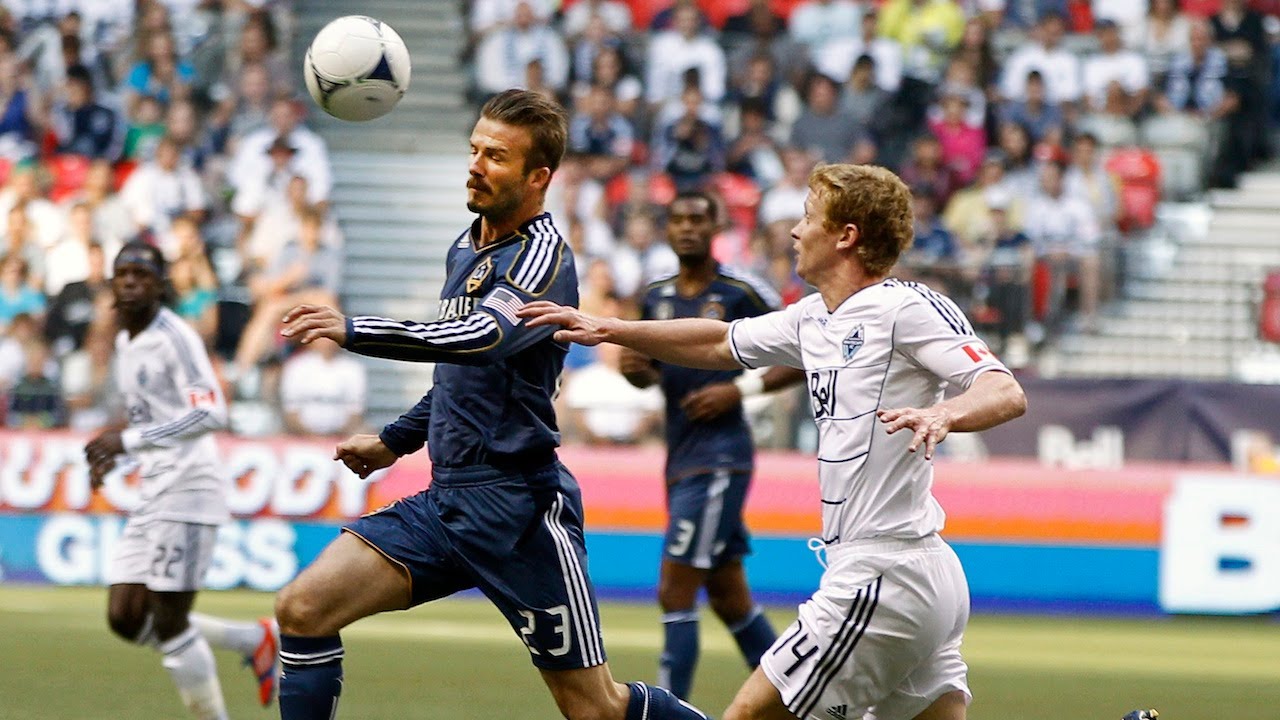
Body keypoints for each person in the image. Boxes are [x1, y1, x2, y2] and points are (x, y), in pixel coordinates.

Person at [520, 163, 1028, 720]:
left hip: (884, 575)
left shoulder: (906, 307)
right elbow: (717, 342)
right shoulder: (813, 316)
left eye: (808, 217)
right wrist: (610, 328)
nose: (793, 230)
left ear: (845, 236)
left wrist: (944, 414)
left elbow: (1002, 389)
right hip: (904, 575)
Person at [273, 89, 712, 720]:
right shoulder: (465, 246)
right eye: (474, 150)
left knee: (595, 708)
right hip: (446, 500)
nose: (476, 165)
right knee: (303, 608)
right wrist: (395, 441)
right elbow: (460, 374)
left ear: (539, 178)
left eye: (496, 156)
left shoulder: (542, 258)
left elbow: (481, 340)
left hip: (519, 512)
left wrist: (355, 329)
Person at [82, 242, 281, 720]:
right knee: (125, 618)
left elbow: (211, 411)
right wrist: (119, 455)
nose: (131, 282)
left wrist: (126, 442)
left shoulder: (175, 336)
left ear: (161, 285)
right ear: (112, 283)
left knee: (170, 623)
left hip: (190, 489)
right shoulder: (129, 341)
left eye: (142, 275)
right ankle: (256, 640)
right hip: (153, 490)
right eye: (123, 273)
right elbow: (154, 419)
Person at [624, 191, 804, 700]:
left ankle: (668, 711)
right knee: (728, 597)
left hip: (720, 458)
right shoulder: (655, 297)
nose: (687, 229)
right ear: (667, 229)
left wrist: (740, 389)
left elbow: (809, 347)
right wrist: (636, 370)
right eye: (677, 220)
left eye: (697, 220)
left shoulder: (740, 291)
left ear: (715, 227)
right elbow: (646, 373)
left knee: (674, 591)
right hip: (681, 456)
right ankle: (796, 700)